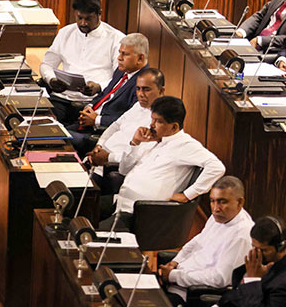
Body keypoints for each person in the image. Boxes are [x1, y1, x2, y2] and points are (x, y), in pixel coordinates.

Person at [103, 96, 225, 228]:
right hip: (120, 201)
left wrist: (187, 195)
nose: (151, 125)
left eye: (158, 121)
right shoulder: (152, 139)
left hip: (139, 215)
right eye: (152, 119)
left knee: (86, 237)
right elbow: (123, 170)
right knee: (81, 210)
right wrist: (135, 143)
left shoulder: (185, 145)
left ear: (174, 127)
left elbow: (217, 167)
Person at [192, 216, 286, 307]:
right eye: (254, 247)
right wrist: (217, 306)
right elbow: (237, 288)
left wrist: (253, 280)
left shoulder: (282, 282)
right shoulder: (263, 262)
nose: (257, 254)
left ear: (281, 247)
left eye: (263, 250)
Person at [159, 176, 253, 307]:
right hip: (176, 279)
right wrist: (175, 261)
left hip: (187, 294)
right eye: (212, 201)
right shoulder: (219, 216)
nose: (215, 208)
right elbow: (198, 241)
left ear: (239, 202)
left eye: (222, 202)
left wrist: (174, 276)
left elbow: (220, 279)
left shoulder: (242, 236)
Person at [39, 0, 124, 125]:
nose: (83, 23)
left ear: (99, 14)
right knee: (45, 125)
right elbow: (47, 64)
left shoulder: (116, 38)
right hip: (61, 97)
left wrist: (99, 87)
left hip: (94, 101)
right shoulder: (65, 33)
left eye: (88, 19)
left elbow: (120, 78)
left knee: (75, 134)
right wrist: (51, 79)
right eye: (79, 18)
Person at [68, 33, 150, 156]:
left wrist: (96, 120)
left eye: (125, 54)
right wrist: (89, 107)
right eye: (120, 52)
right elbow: (106, 94)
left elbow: (129, 120)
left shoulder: (144, 83)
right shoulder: (121, 70)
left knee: (60, 138)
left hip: (102, 132)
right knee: (51, 131)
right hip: (87, 123)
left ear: (140, 58)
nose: (119, 58)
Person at [86, 67, 165, 193]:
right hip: (99, 157)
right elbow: (115, 126)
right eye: (138, 89)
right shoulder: (137, 105)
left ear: (161, 91)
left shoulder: (161, 122)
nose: (140, 94)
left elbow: (139, 157)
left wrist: (108, 157)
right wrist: (100, 144)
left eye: (146, 89)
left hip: (112, 166)